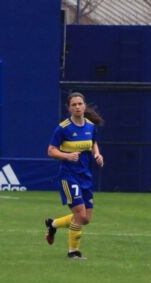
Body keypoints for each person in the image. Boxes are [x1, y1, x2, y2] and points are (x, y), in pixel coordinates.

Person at [44, 92, 104, 260]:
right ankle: (73, 252)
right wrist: (67, 156)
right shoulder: (63, 128)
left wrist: (97, 155)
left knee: (85, 219)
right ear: (69, 108)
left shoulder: (90, 126)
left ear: (84, 106)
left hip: (85, 176)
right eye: (74, 105)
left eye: (80, 104)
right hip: (69, 176)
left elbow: (93, 143)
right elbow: (51, 151)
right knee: (79, 215)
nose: (77, 107)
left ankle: (53, 224)